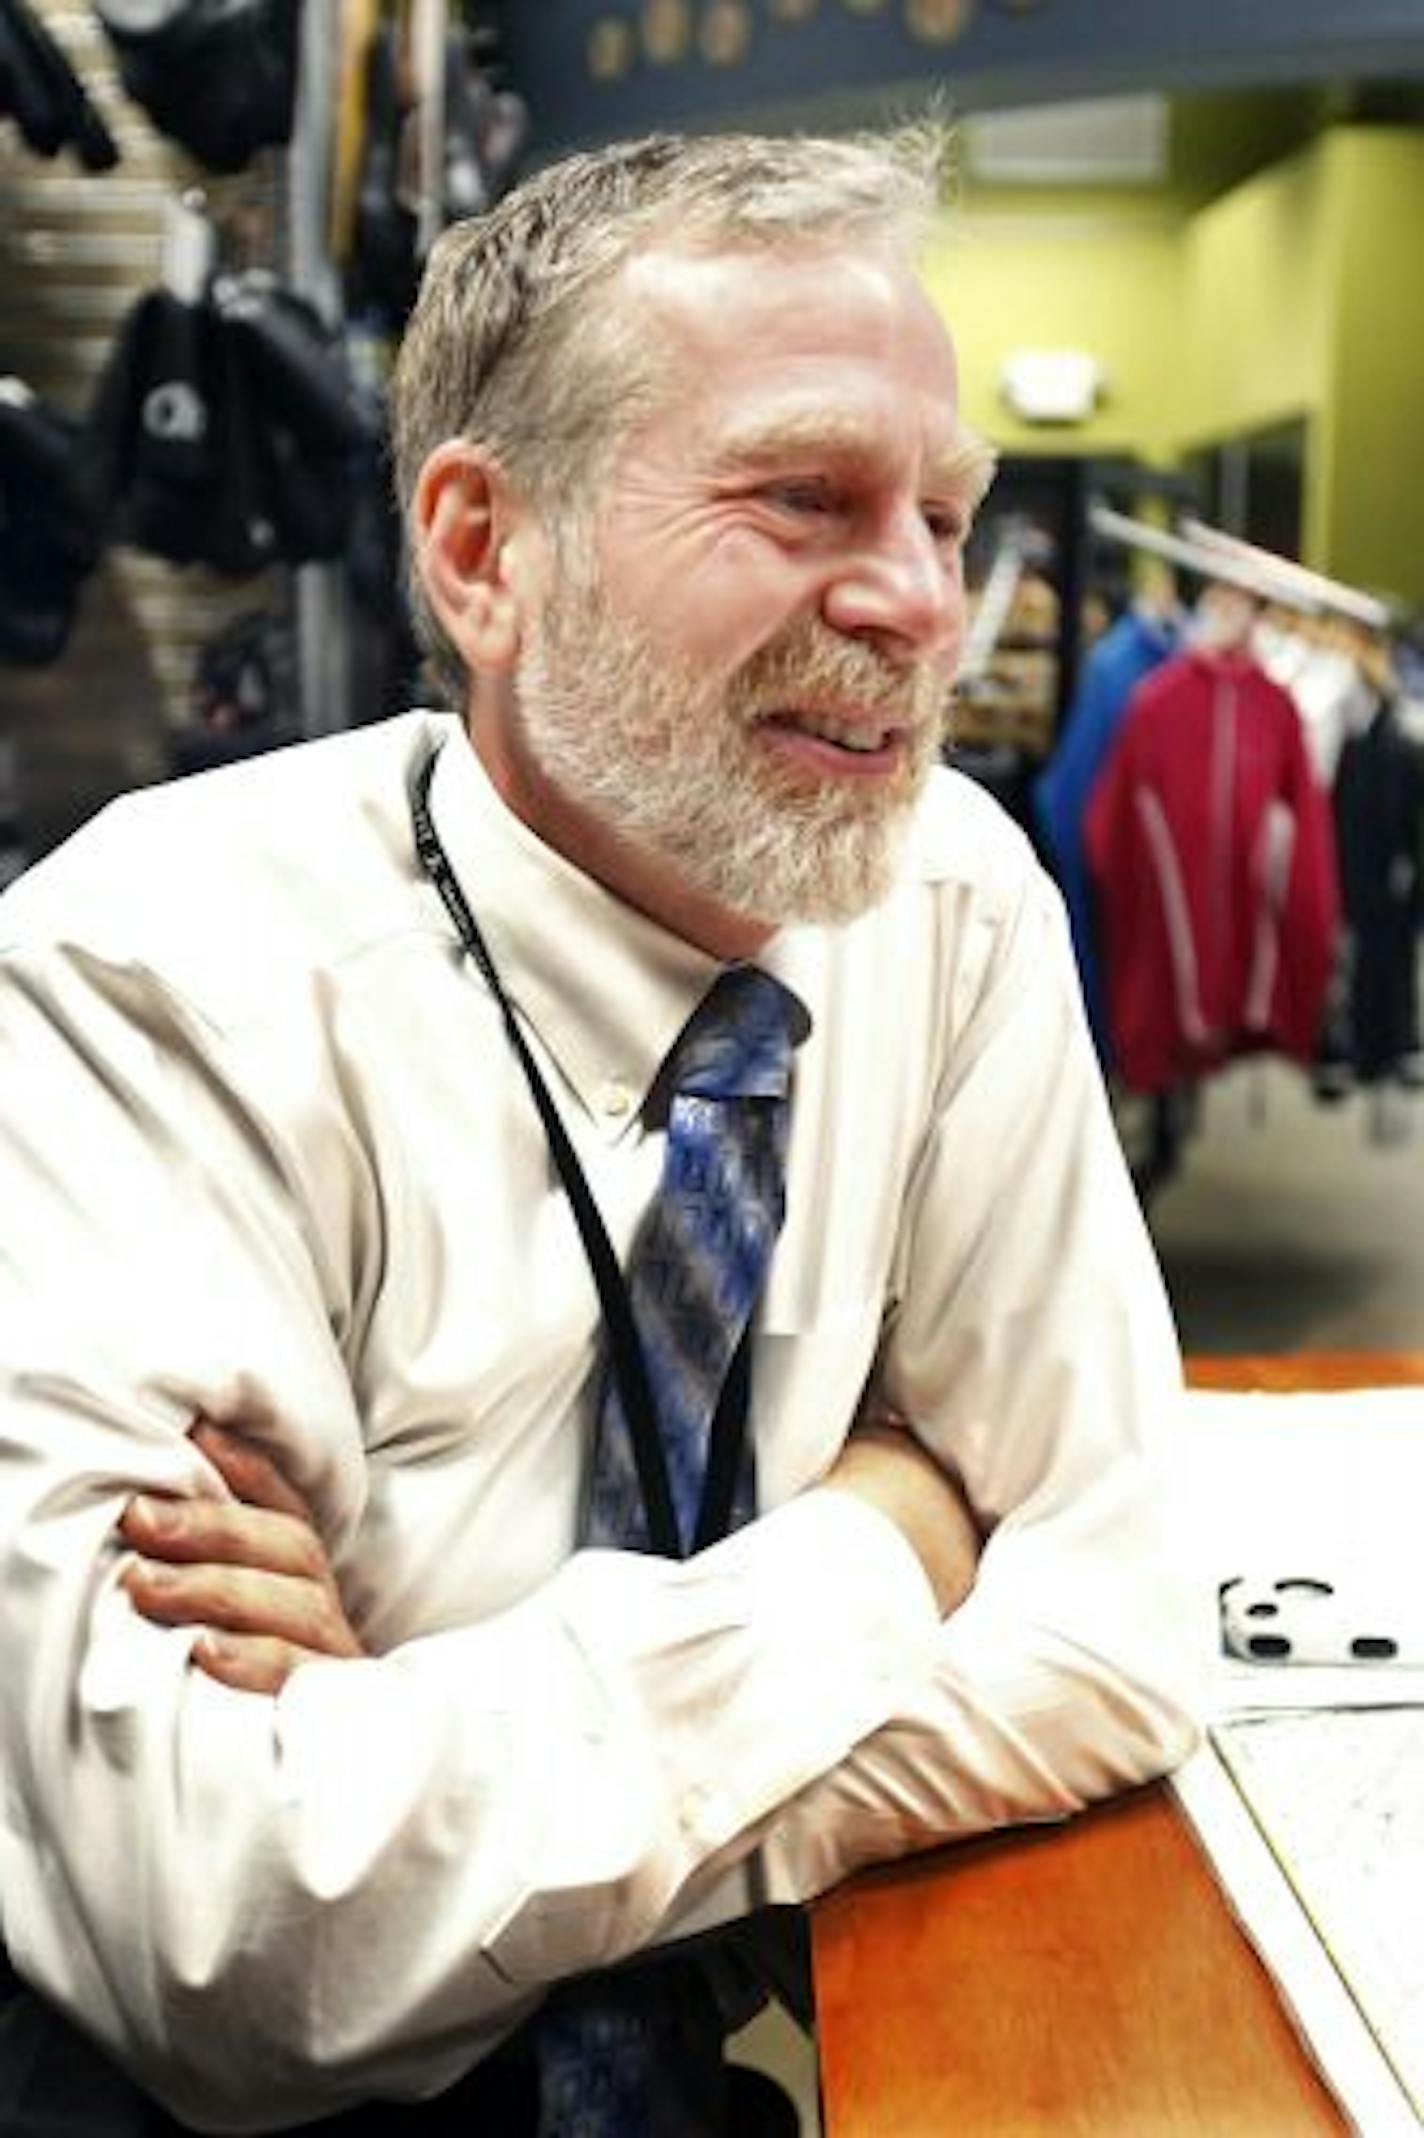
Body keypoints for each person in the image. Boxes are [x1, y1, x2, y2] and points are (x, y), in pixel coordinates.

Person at [0, 128, 1199, 2136]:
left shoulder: (956, 902)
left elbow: (1129, 1615)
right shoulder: (142, 976)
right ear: (483, 552)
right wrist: (885, 1538)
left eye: (943, 513)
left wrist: (454, 1759)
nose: (920, 603)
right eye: (803, 496)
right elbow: (239, 1936)